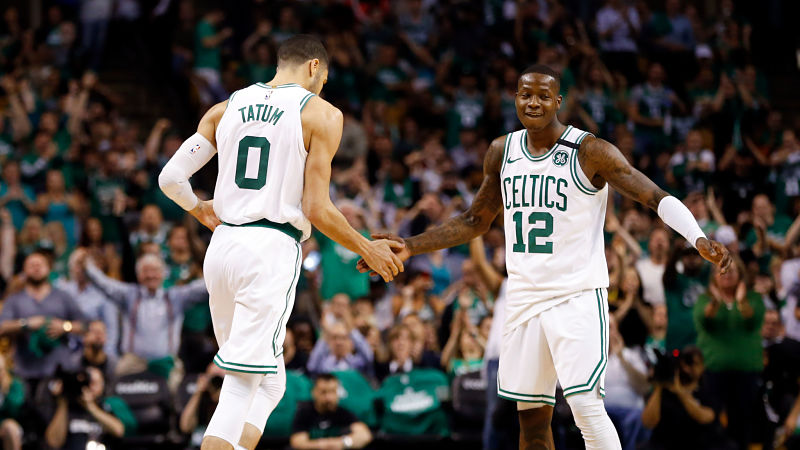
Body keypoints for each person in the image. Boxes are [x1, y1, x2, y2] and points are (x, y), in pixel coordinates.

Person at [360, 64, 731, 449]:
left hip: (576, 296)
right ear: (515, 98)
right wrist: (411, 245)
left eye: (542, 95)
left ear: (558, 101)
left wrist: (697, 236)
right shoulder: (501, 151)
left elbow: (651, 195)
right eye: (525, 94)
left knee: (586, 409)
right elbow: (475, 220)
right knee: (533, 425)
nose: (533, 102)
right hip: (523, 299)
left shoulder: (589, 151)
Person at [157, 34, 403, 450]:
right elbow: (318, 208)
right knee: (240, 383)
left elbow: (170, 179)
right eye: (323, 79)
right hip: (269, 249)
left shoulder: (224, 108)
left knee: (270, 382)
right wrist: (368, 247)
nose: (322, 87)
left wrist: (200, 209)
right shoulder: (321, 114)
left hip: (222, 249)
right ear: (313, 67)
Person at [694, 259, 765, 449]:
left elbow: (753, 321)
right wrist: (716, 302)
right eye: (722, 270)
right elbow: (704, 320)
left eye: (732, 270)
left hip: (746, 371)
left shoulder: (753, 298)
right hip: (714, 371)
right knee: (713, 422)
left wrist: (741, 302)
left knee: (743, 422)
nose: (727, 274)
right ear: (713, 277)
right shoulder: (705, 299)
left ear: (741, 275)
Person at [0, 252, 86, 388]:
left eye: (40, 264)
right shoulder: (14, 300)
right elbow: (2, 327)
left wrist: (65, 326)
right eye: (32, 265)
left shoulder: (62, 297)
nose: (36, 268)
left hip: (59, 371)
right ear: (24, 270)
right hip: (25, 371)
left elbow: (85, 326)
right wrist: (26, 324)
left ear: (49, 268)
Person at [43, 366, 137, 449]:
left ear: (103, 387)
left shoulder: (106, 406)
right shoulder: (66, 406)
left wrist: (91, 407)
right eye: (87, 382)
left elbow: (119, 431)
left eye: (94, 383)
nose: (89, 387)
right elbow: (54, 442)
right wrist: (63, 403)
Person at [289, 374, 372, 450]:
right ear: (314, 392)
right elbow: (298, 442)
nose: (328, 398)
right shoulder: (304, 413)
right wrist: (323, 445)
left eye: (332, 391)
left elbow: (365, 435)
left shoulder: (343, 412)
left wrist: (343, 442)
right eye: (323, 392)